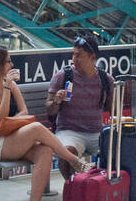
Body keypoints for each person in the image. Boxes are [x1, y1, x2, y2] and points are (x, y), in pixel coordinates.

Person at [0, 47, 82, 201]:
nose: (12, 64)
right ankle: (73, 160)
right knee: (37, 128)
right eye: (8, 61)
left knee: (45, 150)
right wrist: (7, 89)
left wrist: (5, 121)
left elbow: (24, 112)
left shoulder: (11, 84)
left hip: (13, 137)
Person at [44, 36, 114, 179]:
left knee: (118, 150)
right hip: (69, 130)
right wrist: (56, 101)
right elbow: (49, 110)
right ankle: (72, 188)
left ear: (92, 57)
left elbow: (113, 109)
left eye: (79, 55)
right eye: (73, 54)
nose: (74, 59)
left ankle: (106, 186)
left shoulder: (106, 79)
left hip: (96, 131)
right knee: (67, 153)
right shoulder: (63, 76)